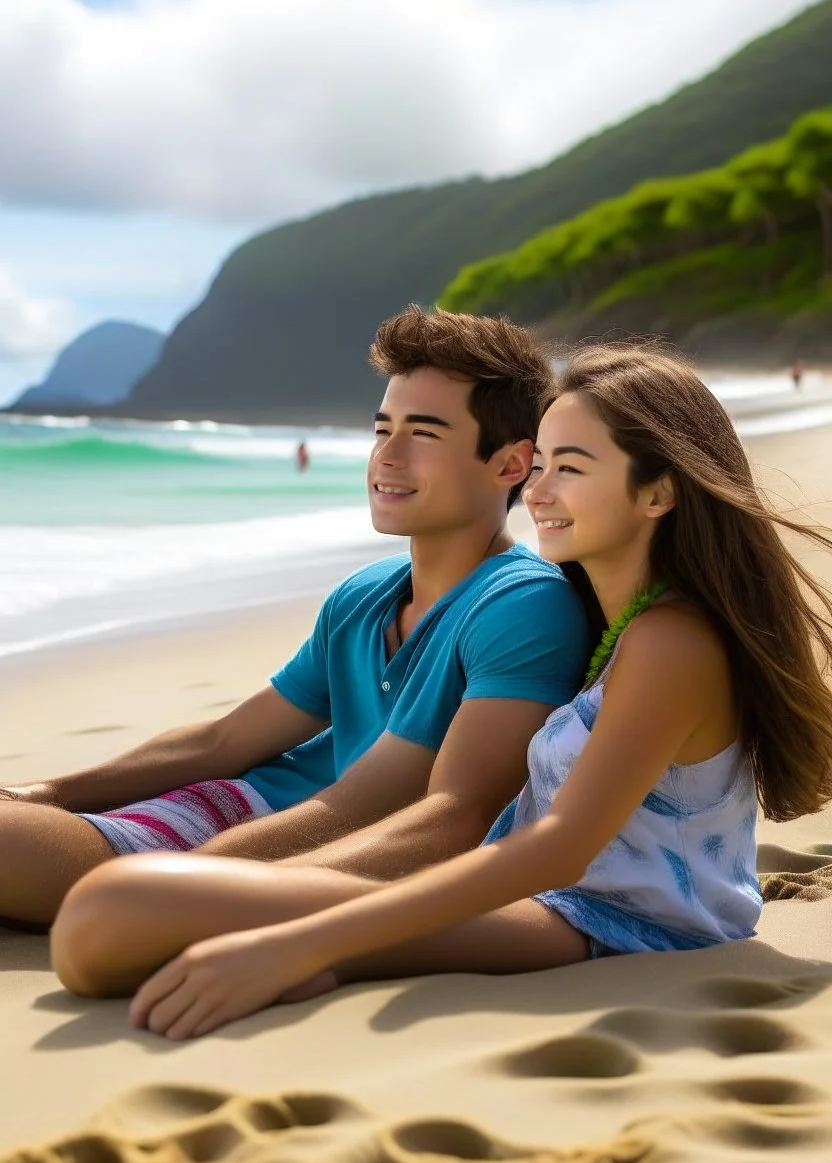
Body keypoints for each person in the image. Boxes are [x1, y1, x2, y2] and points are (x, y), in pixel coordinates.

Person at [52, 338, 832, 1038]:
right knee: (112, 913)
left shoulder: (671, 641)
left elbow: (559, 850)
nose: (539, 489)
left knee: (111, 913)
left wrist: (298, 939)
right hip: (544, 906)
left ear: (657, 493)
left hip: (612, 925)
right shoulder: (621, 624)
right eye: (543, 462)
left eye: (573, 467)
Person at [0, 305, 590, 929]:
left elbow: (401, 804)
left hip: (306, 851)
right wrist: (49, 792)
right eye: (382, 428)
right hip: (242, 809)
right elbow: (223, 741)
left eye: (423, 432)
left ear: (509, 464)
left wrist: (202, 878)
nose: (386, 456)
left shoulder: (523, 603)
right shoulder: (363, 595)